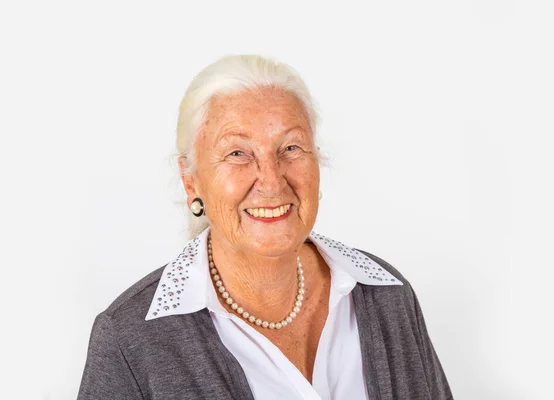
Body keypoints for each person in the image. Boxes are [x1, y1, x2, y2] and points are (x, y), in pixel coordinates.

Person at [77, 54, 453, 400]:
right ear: (191, 181)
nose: (272, 182)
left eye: (291, 148)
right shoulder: (129, 340)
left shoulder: (387, 295)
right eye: (237, 153)